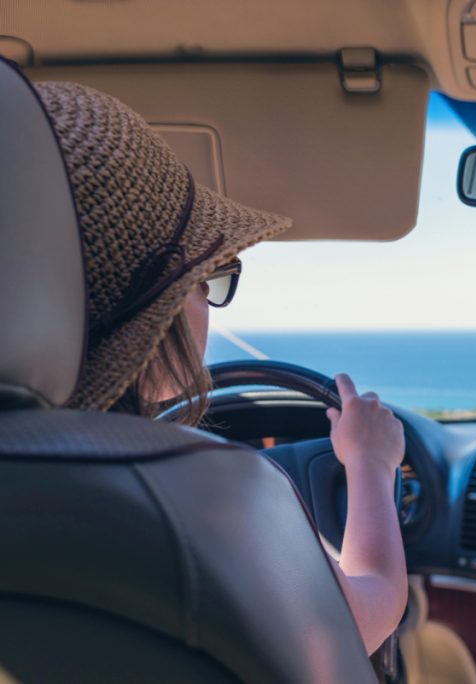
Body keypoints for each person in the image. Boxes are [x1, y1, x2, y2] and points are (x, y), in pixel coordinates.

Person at [35, 79, 407, 655]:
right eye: (205, 279)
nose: (207, 298)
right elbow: (367, 612)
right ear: (163, 304)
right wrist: (371, 466)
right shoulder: (209, 497)